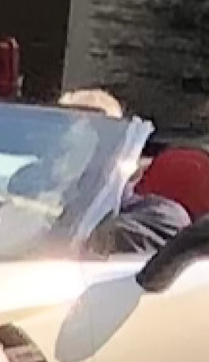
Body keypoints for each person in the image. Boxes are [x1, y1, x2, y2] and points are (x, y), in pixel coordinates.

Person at [55, 88, 188, 257]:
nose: (55, 158)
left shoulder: (161, 217)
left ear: (108, 150)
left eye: (67, 148)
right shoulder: (45, 208)